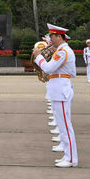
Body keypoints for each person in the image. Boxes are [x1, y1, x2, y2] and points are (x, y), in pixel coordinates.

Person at [33, 24, 78, 168]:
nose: (50, 39)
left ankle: (71, 158)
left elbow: (48, 68)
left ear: (59, 36)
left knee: (65, 126)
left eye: (52, 36)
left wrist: (38, 56)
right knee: (62, 125)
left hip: (60, 90)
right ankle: (67, 155)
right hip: (59, 89)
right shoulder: (62, 51)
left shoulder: (63, 52)